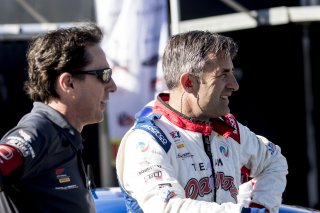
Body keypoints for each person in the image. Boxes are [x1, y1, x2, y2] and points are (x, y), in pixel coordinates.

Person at [116, 30, 288, 213]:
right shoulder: (148, 140)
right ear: (189, 82)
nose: (234, 85)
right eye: (223, 75)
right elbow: (167, 208)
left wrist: (259, 205)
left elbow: (273, 161)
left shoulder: (227, 128)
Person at [0, 22, 117, 213]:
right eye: (104, 75)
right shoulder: (39, 130)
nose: (112, 86)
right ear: (68, 83)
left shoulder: (62, 136)